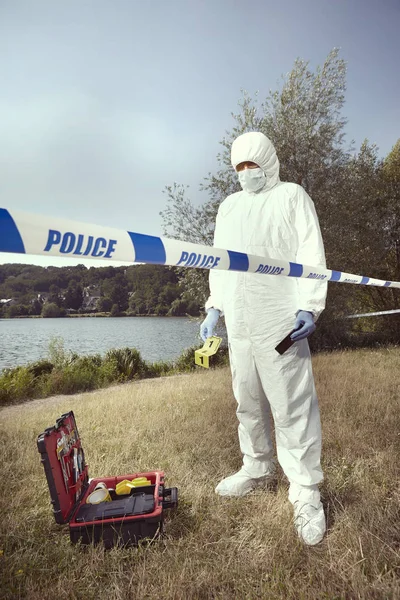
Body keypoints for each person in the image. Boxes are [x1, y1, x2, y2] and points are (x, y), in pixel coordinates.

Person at [200, 131, 328, 546]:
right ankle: (256, 466)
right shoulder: (229, 206)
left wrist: (309, 304)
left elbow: (311, 251)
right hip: (239, 320)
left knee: (292, 403)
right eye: (238, 166)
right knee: (248, 399)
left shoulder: (292, 196)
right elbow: (219, 260)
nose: (245, 173)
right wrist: (214, 307)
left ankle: (306, 490)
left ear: (269, 162)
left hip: (279, 320)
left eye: (252, 164)